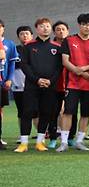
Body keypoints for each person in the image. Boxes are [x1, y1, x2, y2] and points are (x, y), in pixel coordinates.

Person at [16, 17, 63, 153]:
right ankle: (23, 143)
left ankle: (40, 142)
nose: (45, 28)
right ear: (37, 29)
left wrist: (50, 81)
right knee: (27, 112)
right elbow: (25, 66)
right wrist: (37, 80)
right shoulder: (29, 46)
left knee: (46, 112)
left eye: (47, 26)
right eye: (42, 26)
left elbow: (59, 68)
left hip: (50, 86)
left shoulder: (56, 47)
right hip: (32, 86)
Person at [57, 14, 89, 152]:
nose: (88, 27)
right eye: (85, 24)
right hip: (73, 84)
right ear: (79, 25)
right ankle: (63, 142)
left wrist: (84, 69)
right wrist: (80, 72)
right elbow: (65, 61)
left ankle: (80, 141)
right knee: (68, 112)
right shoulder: (69, 41)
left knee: (86, 114)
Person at [7, 26, 33, 150]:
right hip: (18, 87)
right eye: (22, 34)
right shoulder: (15, 49)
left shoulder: (35, 48)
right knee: (21, 111)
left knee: (36, 111)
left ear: (31, 35)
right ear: (18, 36)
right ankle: (22, 134)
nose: (25, 36)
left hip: (33, 85)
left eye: (27, 33)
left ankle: (42, 135)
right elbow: (12, 65)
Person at [0, 19, 20, 149]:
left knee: (0, 109)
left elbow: (12, 62)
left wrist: (9, 78)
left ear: (3, 28)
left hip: (2, 81)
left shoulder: (9, 44)